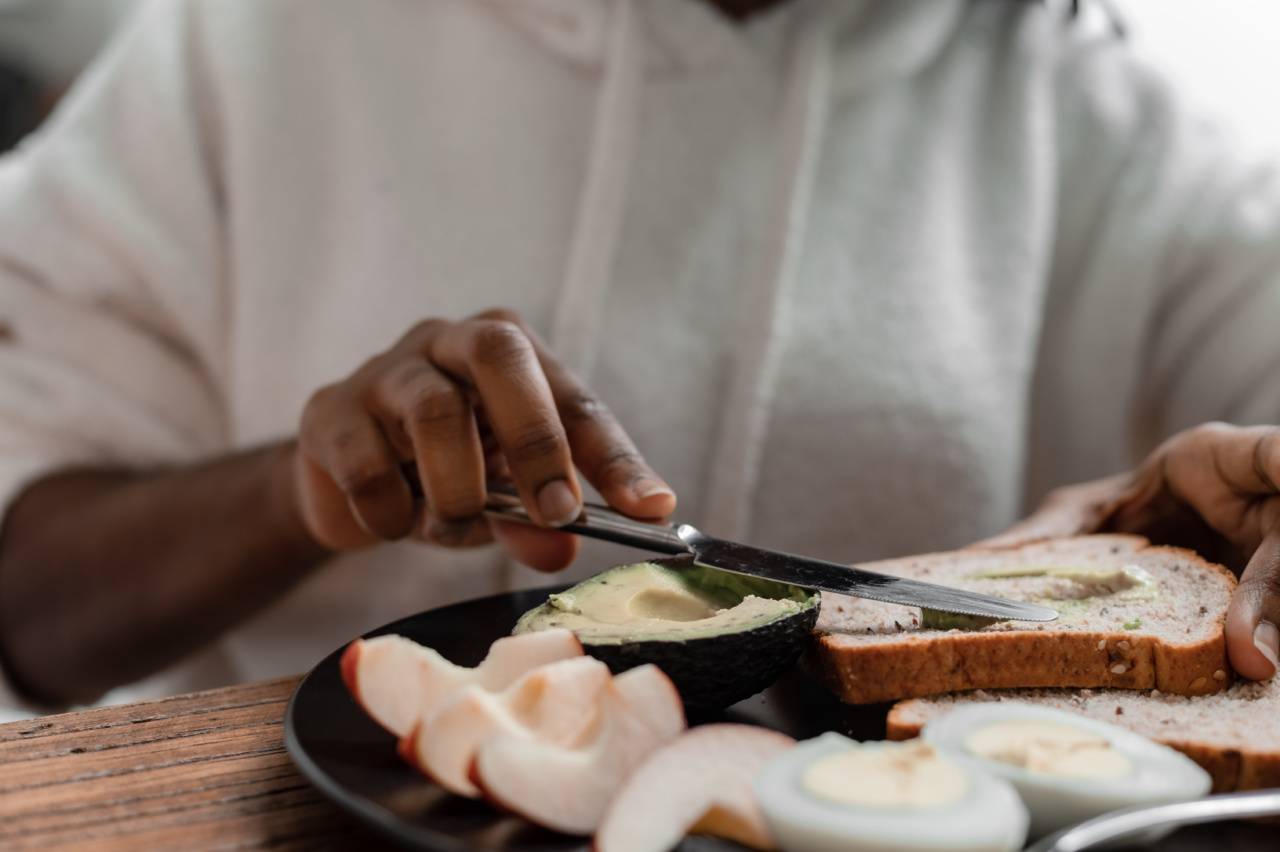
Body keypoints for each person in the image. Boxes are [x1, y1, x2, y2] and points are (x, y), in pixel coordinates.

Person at [0, 0, 1277, 715]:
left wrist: (1237, 518)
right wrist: (295, 496)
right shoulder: (253, 42)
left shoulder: (1092, 114)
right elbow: (31, 604)